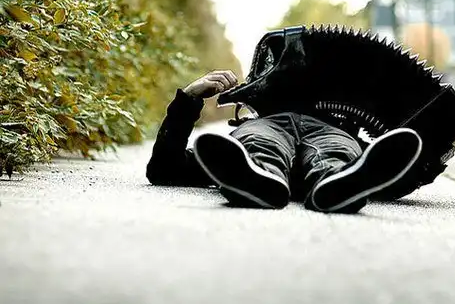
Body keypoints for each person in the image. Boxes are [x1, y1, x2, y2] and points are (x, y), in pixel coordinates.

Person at [147, 70, 422, 214]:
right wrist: (189, 98)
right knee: (258, 142)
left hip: (329, 129)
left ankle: (339, 182)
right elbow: (165, 169)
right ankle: (259, 177)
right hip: (268, 125)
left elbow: (394, 167)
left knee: (337, 151)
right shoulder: (255, 126)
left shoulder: (341, 124)